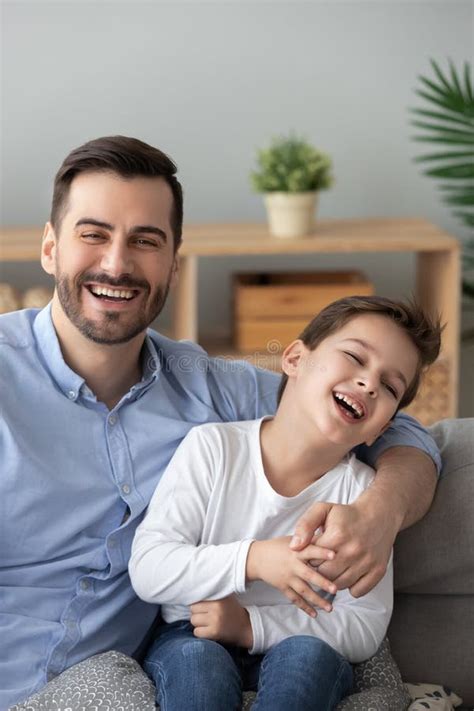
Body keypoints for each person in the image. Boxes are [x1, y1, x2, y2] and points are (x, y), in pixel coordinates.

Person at [0, 136, 441, 710]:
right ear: (51, 248)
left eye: (145, 240)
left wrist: (379, 514)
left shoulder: (212, 389)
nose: (116, 263)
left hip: (115, 689)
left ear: (173, 264)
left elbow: (403, 432)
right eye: (93, 234)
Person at [129, 296, 441, 711]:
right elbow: (150, 568)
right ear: (294, 359)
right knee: (195, 661)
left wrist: (252, 626)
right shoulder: (213, 448)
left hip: (301, 639)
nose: (369, 384)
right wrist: (254, 561)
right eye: (354, 356)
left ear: (382, 427)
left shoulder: (363, 501)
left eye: (389, 386)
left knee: (308, 658)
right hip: (194, 631)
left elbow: (363, 624)